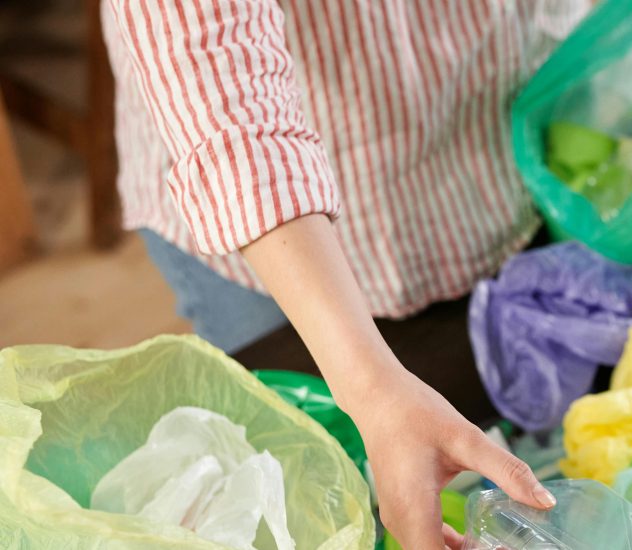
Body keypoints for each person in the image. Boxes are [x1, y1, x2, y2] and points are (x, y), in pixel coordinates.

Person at [102, 0, 589, 547]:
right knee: (270, 472)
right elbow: (222, 85)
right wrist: (374, 392)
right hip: (267, 228)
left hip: (501, 135)